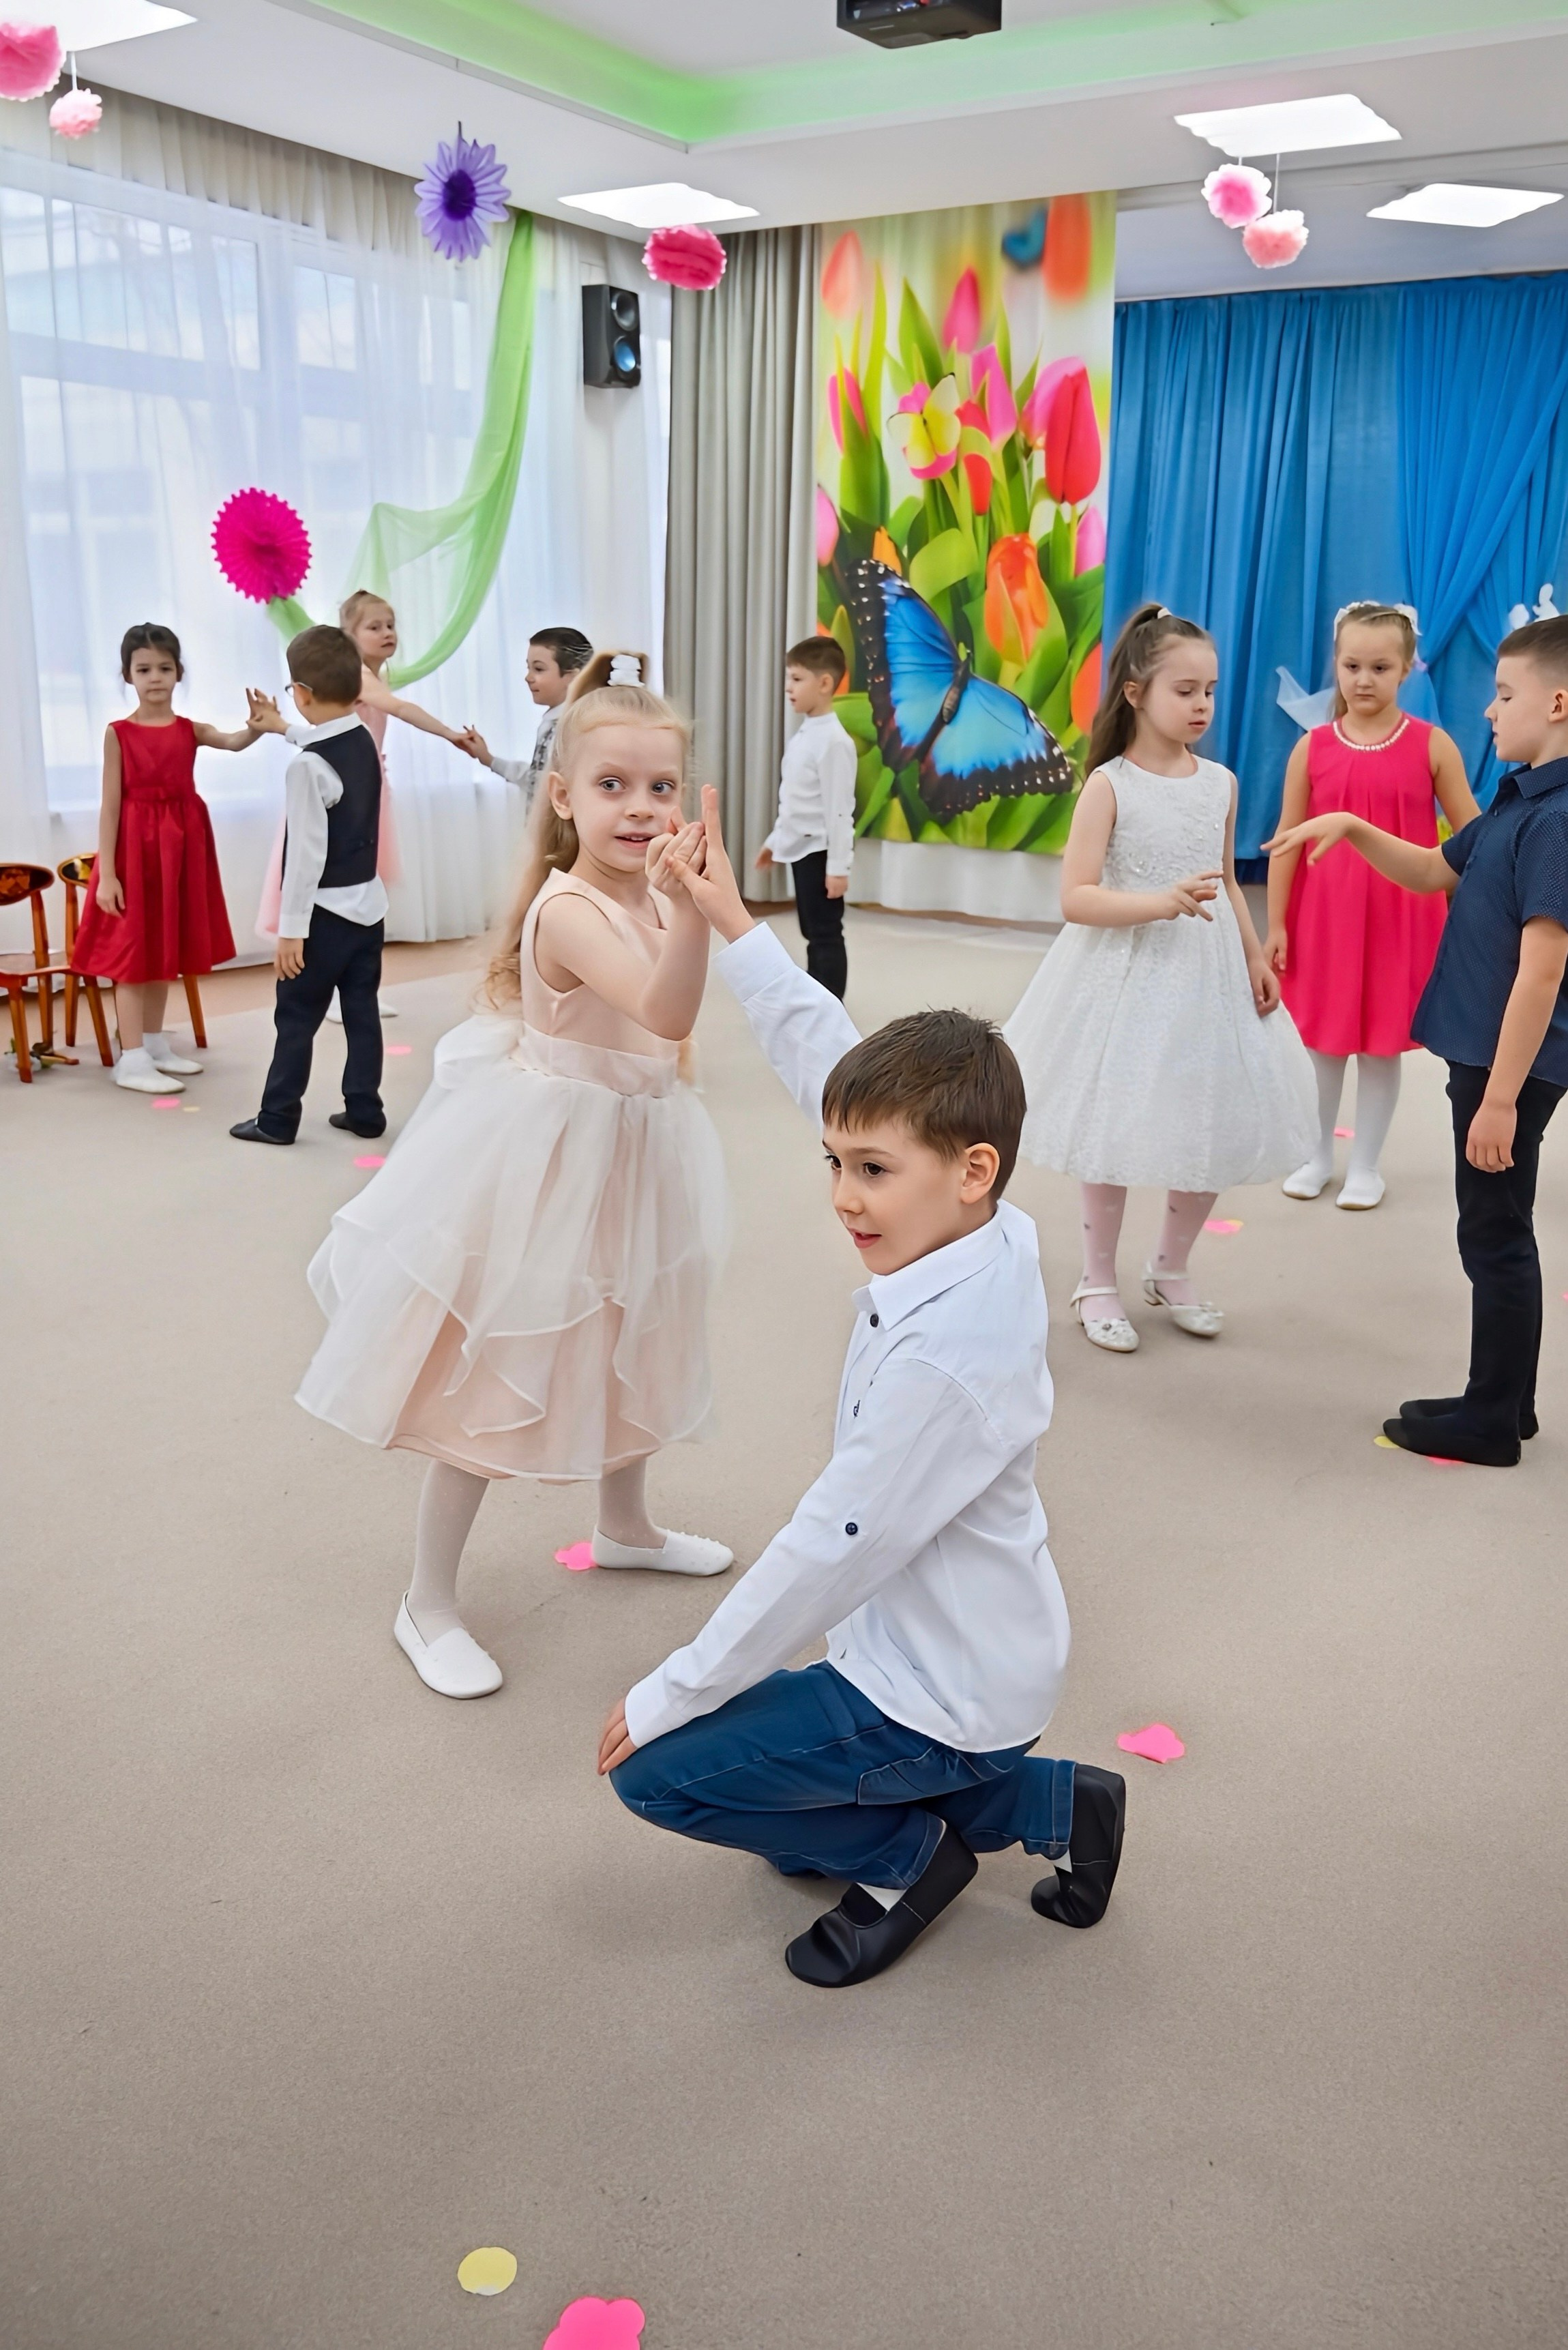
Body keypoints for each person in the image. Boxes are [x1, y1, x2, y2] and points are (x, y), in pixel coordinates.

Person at [602, 786, 1124, 1993]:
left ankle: (906, 1854)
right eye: (833, 1162)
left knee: (658, 1772)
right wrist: (729, 914)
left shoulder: (946, 1362)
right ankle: (1050, 1802)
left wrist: (672, 1687)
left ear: (969, 1169)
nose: (842, 1194)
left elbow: (827, 1544)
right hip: (977, 1655)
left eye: (871, 1171)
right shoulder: (976, 1224)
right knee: (760, 1744)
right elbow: (817, 1047)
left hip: (935, 1688)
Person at [294, 656, 733, 1701]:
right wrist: (697, 912)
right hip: (553, 1173)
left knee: (636, 1332)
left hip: (634, 1150)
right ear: (563, 796)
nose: (638, 807)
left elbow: (663, 1043)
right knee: (496, 1381)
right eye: (612, 785)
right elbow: (669, 1013)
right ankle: (426, 1600)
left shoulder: (643, 899)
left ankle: (623, 1525)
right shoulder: (572, 909)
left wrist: (682, 906)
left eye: (659, 787)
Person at [1265, 615, 1568, 1468]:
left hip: (1506, 1067)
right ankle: (1505, 1401)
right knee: (1496, 1228)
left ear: (1556, 701)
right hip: (1482, 1053)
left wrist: (1502, 1097)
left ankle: (1488, 1419)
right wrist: (1350, 829)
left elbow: (1542, 971)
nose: (1488, 712)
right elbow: (1439, 866)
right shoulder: (1519, 797)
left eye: (1503, 696)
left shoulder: (1556, 822)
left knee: (1494, 1236)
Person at [1001, 604, 1317, 1353]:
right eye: (1185, 689)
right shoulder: (1109, 786)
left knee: (1207, 1123)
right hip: (1125, 973)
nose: (1202, 704)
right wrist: (1158, 902)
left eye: (1210, 690)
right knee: (1113, 1129)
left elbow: (1230, 882)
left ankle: (1170, 1266)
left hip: (1205, 979)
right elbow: (1077, 897)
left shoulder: (1221, 783)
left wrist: (1249, 956)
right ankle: (1097, 1279)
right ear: (1137, 692)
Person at [1263, 603, 1479, 1210]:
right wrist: (1276, 922)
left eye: (1380, 666)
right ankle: (1316, 1155)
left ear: (1407, 668)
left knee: (1382, 1044)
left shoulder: (1431, 746)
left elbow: (1473, 839)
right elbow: (1286, 839)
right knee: (1322, 1045)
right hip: (1323, 920)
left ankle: (1365, 1165)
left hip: (1401, 920)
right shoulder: (1312, 748)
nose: (1363, 679)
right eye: (1351, 664)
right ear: (1335, 662)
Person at [254, 588, 483, 1020]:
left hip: (368, 791)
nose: (386, 633)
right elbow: (398, 709)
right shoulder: (358, 676)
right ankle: (338, 986)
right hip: (339, 796)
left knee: (361, 891)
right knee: (334, 887)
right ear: (350, 636)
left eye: (390, 625)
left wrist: (281, 726)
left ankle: (355, 986)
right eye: (374, 626)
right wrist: (451, 735)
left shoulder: (373, 676)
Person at [72, 621, 260, 1096]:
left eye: (164, 667)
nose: (155, 677)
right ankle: (129, 1057)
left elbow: (233, 741)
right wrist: (108, 873)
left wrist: (256, 728)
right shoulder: (119, 734)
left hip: (179, 847)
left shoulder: (189, 730)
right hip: (135, 851)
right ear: (127, 675)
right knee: (134, 951)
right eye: (143, 669)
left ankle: (153, 1044)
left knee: (163, 948)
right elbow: (111, 805)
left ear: (178, 673)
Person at [231, 626, 387, 1147]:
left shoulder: (306, 769)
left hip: (322, 918)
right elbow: (325, 737)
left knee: (296, 1017)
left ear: (300, 693)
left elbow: (303, 859)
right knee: (361, 1011)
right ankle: (365, 1109)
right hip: (369, 908)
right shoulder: (361, 735)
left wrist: (290, 931)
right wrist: (281, 728)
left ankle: (277, 1118)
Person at [754, 636, 858, 1000]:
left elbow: (839, 810)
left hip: (819, 852)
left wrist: (839, 867)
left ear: (825, 684)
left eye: (797, 679)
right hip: (800, 850)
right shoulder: (807, 735)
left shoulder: (834, 742)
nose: (789, 687)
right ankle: (818, 994)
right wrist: (773, 842)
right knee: (811, 929)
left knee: (826, 931)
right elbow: (797, 802)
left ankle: (829, 1003)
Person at [462, 625, 595, 811]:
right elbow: (537, 780)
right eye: (529, 668)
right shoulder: (550, 723)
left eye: (539, 669)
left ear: (572, 676)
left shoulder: (578, 727)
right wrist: (488, 759)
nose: (528, 677)